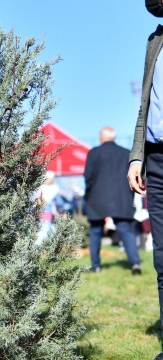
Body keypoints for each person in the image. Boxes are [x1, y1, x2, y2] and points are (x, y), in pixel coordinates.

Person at [128, 4, 163, 352]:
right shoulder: (155, 41)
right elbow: (145, 106)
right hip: (155, 158)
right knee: (162, 258)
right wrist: (136, 156)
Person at [86, 126, 141, 274]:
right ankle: (135, 264)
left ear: (102, 137)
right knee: (125, 230)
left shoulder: (94, 153)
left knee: (96, 231)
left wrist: (88, 196)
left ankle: (96, 266)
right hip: (122, 199)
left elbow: (88, 177)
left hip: (97, 198)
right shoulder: (126, 154)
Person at [34, 171, 60, 246]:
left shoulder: (41, 188)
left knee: (51, 231)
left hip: (47, 213)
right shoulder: (53, 188)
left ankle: (49, 249)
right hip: (45, 213)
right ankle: (36, 248)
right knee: (43, 232)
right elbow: (45, 201)